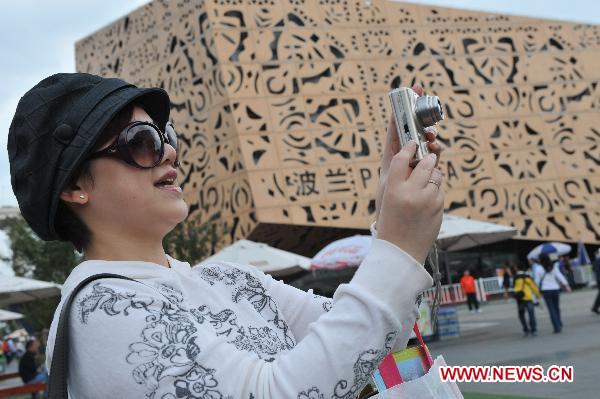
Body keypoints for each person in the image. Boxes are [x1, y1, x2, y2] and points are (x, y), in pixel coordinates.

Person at [8, 74, 444, 397]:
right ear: (73, 188)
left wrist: (389, 206)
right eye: (140, 142)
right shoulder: (101, 309)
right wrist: (396, 244)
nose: (170, 152)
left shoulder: (229, 279)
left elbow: (378, 335)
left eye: (166, 135)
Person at [535, 253, 571, 333]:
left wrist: (536, 292)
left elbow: (537, 281)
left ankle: (556, 327)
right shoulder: (553, 266)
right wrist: (566, 285)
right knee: (557, 307)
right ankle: (559, 322)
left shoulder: (538, 268)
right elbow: (559, 276)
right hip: (555, 289)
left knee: (551, 309)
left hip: (546, 291)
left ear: (540, 259)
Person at [512, 263, 541, 337]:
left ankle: (525, 329)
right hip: (528, 297)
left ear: (517, 268)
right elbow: (533, 287)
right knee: (531, 314)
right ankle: (533, 329)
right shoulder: (527, 277)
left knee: (521, 315)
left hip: (520, 298)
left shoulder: (515, 277)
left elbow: (514, 288)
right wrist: (538, 296)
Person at [592, 249, 600, 315]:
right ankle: (595, 307)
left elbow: (593, 269)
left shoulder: (596, 261)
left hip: (598, 279)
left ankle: (595, 307)